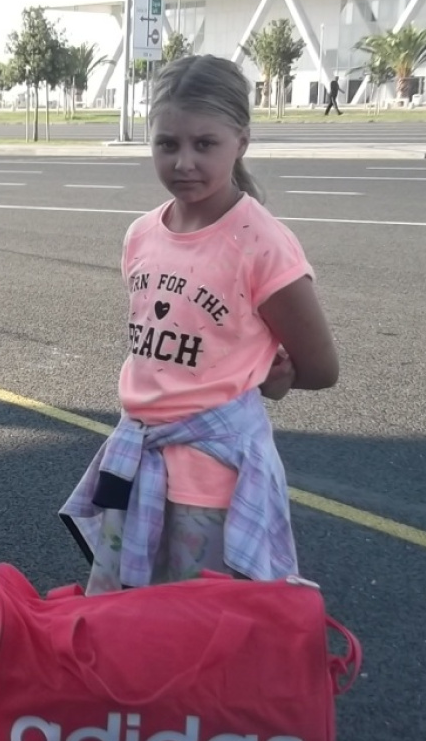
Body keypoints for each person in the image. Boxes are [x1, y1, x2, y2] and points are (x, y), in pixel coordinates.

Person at [60, 54, 339, 594]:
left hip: (210, 485)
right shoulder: (141, 235)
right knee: (130, 619)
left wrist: (275, 377)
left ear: (242, 141)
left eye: (204, 144)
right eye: (167, 144)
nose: (184, 162)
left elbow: (321, 367)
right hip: (138, 462)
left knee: (193, 626)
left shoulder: (260, 243)